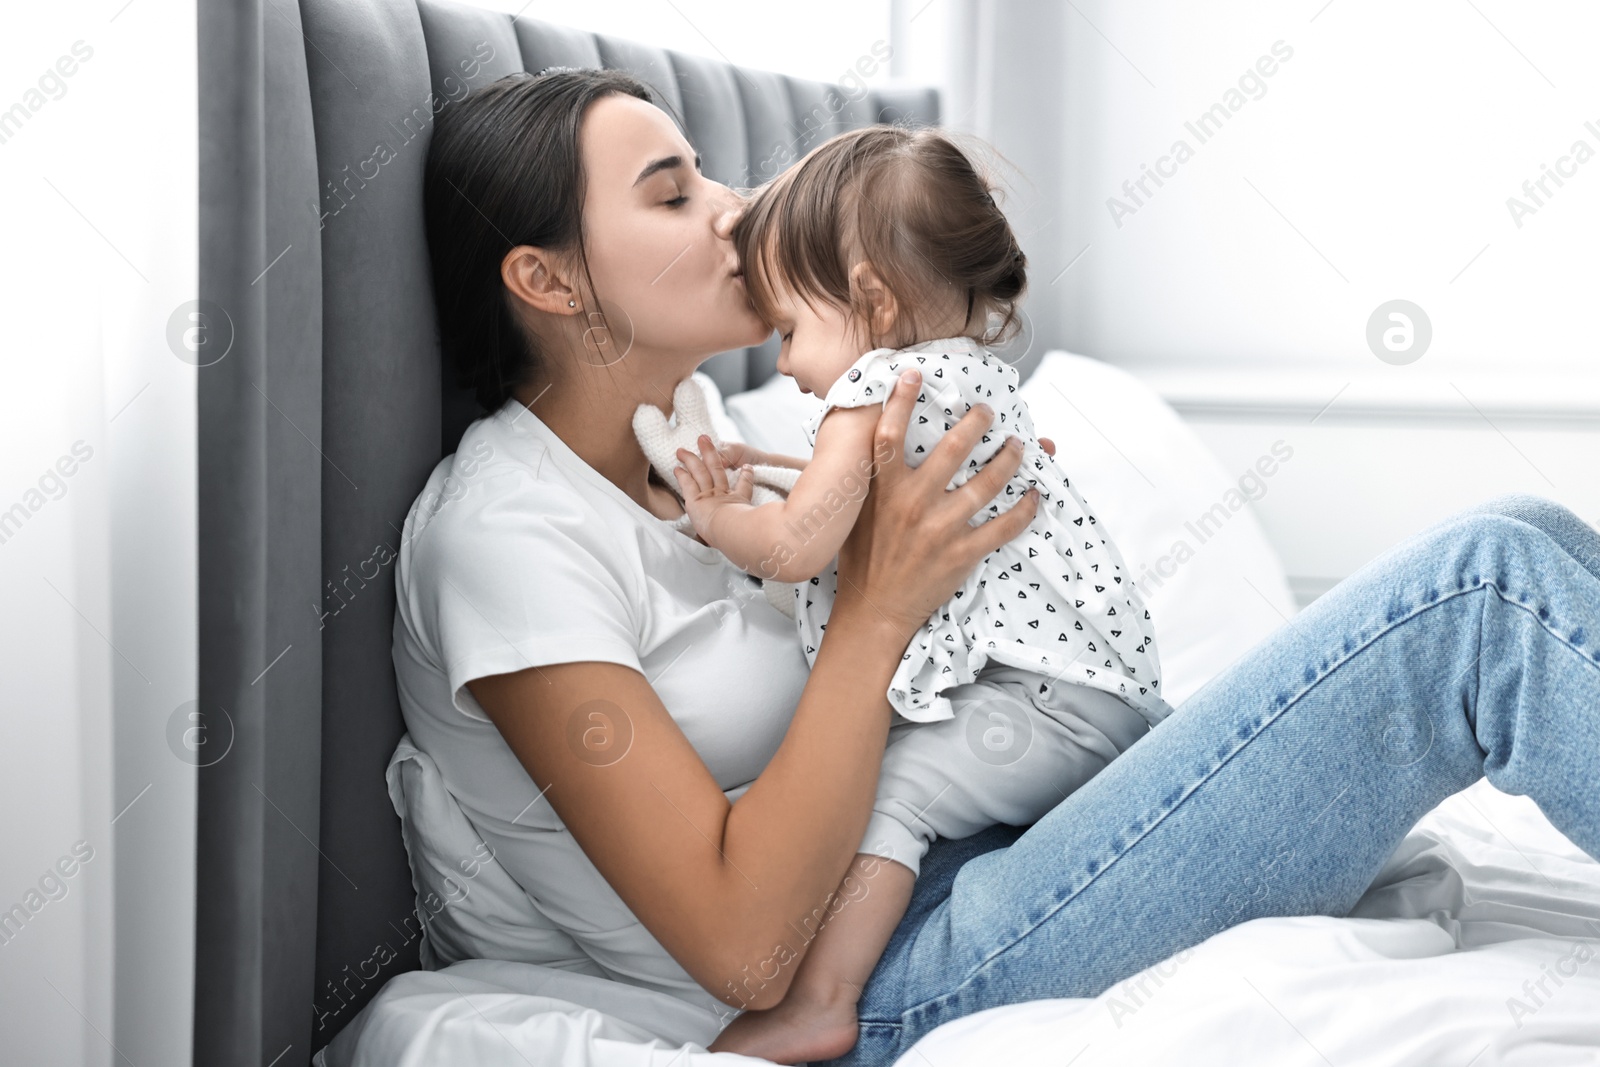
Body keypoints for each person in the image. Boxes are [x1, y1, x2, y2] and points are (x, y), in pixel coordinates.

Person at [396, 65, 1600, 1067]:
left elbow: (867, 489)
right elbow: (747, 953)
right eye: (672, 195)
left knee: (1531, 542)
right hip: (893, 964)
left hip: (1003, 838)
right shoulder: (510, 537)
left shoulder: (701, 430)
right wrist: (879, 608)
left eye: (711, 170)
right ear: (546, 279)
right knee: (1484, 591)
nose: (733, 206)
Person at [660, 125, 1173, 1060]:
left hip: (1043, 706)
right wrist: (781, 473)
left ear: (869, 298)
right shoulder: (975, 375)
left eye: (788, 330)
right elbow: (857, 510)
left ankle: (822, 999)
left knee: (891, 793)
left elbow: (797, 545)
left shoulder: (876, 386)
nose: (781, 366)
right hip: (1103, 698)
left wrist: (717, 511)